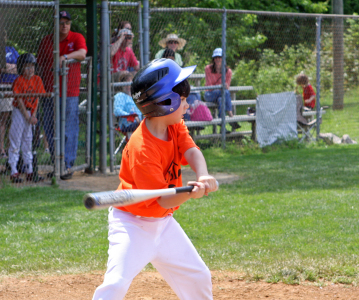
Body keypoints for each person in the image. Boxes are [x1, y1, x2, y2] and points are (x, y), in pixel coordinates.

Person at [91, 58, 217, 300]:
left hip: (163, 224)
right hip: (132, 224)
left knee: (198, 276)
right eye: (182, 99)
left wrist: (203, 175)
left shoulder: (174, 125)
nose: (187, 104)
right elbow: (163, 200)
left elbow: (191, 150)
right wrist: (191, 192)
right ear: (165, 103)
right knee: (115, 284)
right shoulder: (142, 150)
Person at [37, 10, 87, 180]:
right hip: (50, 91)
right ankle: (57, 164)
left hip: (70, 92)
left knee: (68, 129)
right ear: (55, 24)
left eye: (67, 22)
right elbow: (40, 65)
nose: (64, 25)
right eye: (61, 22)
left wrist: (65, 57)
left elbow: (82, 54)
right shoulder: (46, 41)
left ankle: (67, 165)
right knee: (51, 129)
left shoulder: (76, 37)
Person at [8, 53, 45, 183]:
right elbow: (19, 100)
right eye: (26, 67)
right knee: (15, 141)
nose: (30, 70)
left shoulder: (37, 80)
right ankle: (13, 171)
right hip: (20, 112)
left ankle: (29, 171)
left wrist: (33, 115)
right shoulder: (19, 81)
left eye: (32, 67)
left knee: (28, 142)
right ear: (20, 68)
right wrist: (27, 116)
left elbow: (37, 99)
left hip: (31, 113)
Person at [204, 48, 240, 131]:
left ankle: (222, 127)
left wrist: (221, 87)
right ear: (213, 59)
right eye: (215, 57)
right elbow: (209, 86)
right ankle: (231, 115)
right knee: (224, 92)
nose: (217, 59)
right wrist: (221, 86)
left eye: (219, 57)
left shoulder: (228, 71)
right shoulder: (208, 69)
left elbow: (227, 86)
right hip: (210, 94)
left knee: (221, 100)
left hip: (222, 94)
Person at [0, 31, 19, 159]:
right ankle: (1, 149)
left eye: (4, 35)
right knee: (4, 117)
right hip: (2, 85)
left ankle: (10, 147)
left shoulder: (11, 49)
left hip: (14, 86)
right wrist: (10, 68)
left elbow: (20, 67)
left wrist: (6, 67)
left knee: (14, 118)